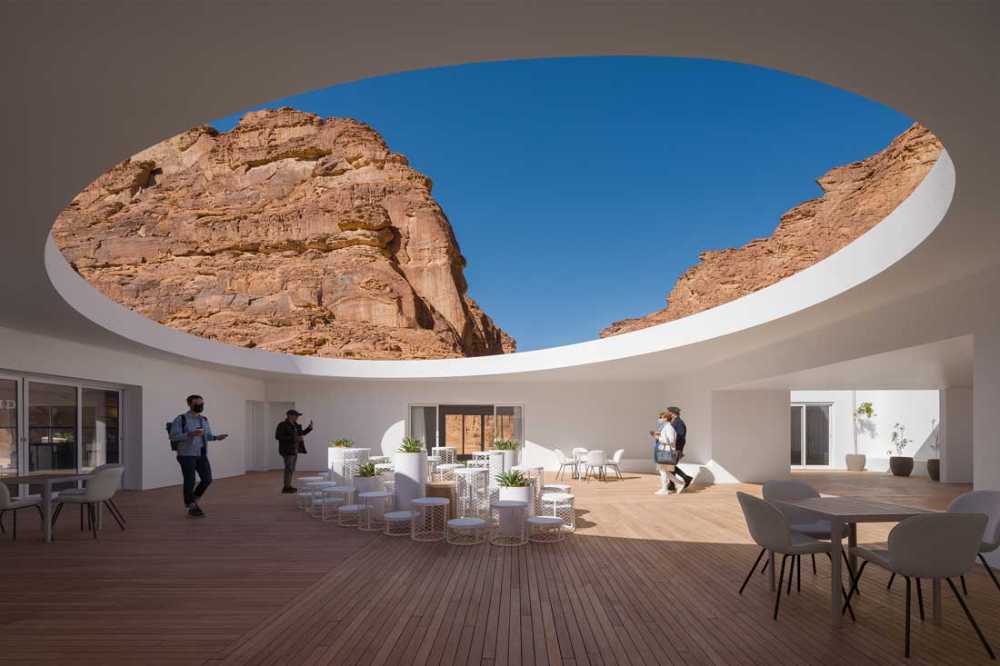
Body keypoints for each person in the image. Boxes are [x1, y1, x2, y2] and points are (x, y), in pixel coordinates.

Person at [169, 394, 228, 517]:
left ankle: (193, 500)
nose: (200, 406)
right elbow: (173, 436)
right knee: (190, 480)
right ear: (190, 404)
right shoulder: (181, 419)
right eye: (197, 404)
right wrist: (190, 434)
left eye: (202, 404)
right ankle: (191, 505)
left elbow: (206, 436)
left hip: (201, 453)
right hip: (186, 454)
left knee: (207, 479)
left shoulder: (204, 419)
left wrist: (216, 437)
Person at [275, 409, 313, 493]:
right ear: (289, 415)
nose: (297, 417)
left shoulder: (296, 425)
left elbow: (301, 434)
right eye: (296, 416)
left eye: (297, 416)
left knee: (291, 469)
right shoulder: (282, 425)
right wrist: (294, 438)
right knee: (288, 468)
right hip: (287, 450)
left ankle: (288, 486)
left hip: (294, 450)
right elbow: (278, 436)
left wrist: (309, 428)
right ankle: (286, 487)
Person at [650, 410, 683, 495]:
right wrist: (659, 435)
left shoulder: (669, 427)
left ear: (665, 418)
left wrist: (658, 437)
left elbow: (671, 440)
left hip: (666, 451)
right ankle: (679, 483)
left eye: (660, 417)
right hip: (664, 451)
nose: (659, 419)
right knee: (664, 470)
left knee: (663, 471)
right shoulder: (666, 427)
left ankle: (665, 489)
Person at [665, 406, 693, 492]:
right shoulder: (675, 422)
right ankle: (672, 484)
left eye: (669, 412)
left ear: (673, 413)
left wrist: (677, 449)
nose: (668, 414)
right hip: (674, 448)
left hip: (676, 448)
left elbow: (680, 437)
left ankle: (686, 478)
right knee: (670, 466)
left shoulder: (679, 423)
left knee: (670, 466)